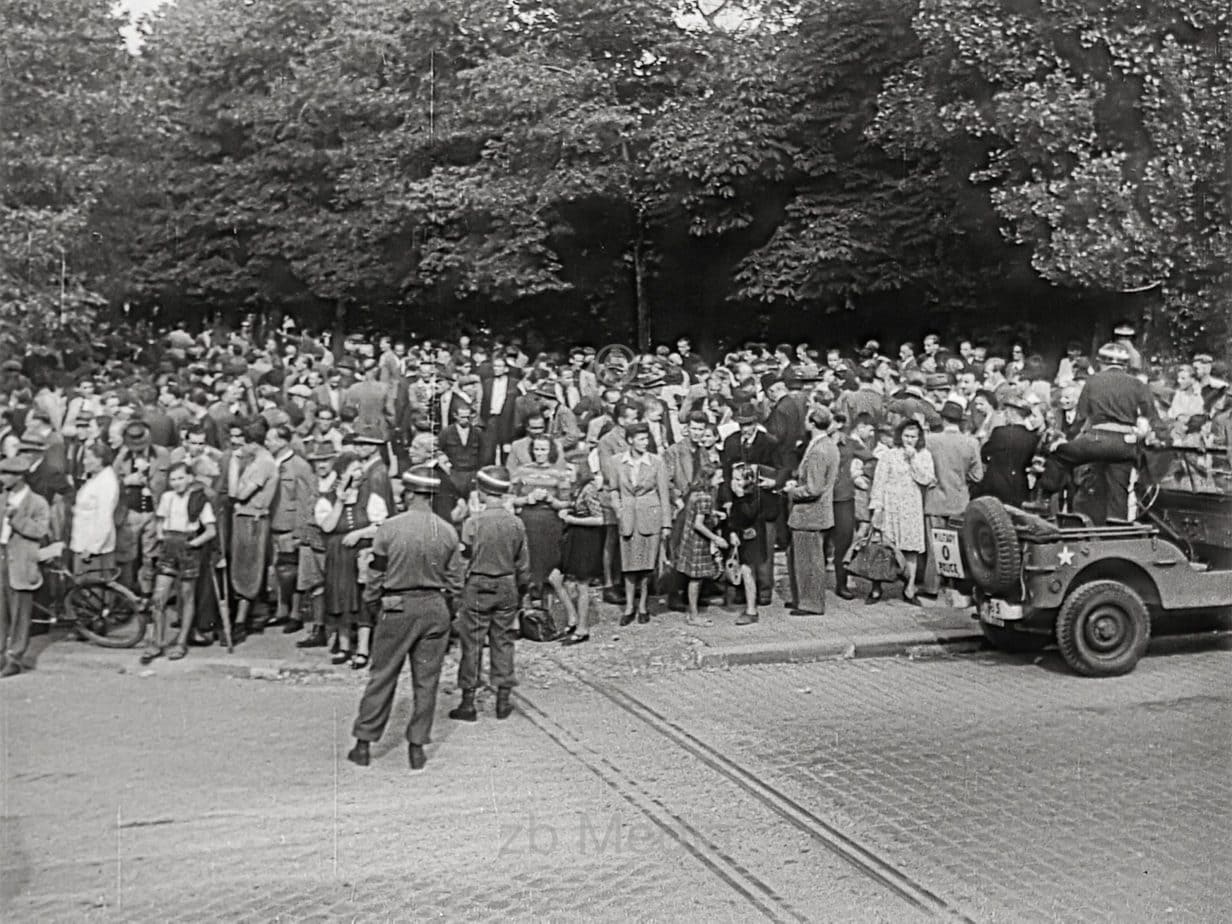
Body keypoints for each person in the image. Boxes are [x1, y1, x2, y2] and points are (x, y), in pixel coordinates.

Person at [346, 465, 464, 771]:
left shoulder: (389, 528)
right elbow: (456, 581)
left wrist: (371, 600)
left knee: (383, 674)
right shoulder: (448, 531)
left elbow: (376, 572)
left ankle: (363, 742)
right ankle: (416, 747)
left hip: (397, 605)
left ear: (410, 493)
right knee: (427, 681)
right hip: (435, 607)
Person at [448, 465, 531, 723]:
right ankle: (503, 700)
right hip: (506, 584)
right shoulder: (516, 523)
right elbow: (523, 564)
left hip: (478, 584)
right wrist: (522, 587)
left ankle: (468, 703)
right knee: (503, 641)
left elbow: (464, 558)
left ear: (482, 491)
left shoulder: (473, 522)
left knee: (472, 643)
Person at [1045, 342, 1159, 524]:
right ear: (1126, 364)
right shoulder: (1138, 385)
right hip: (1124, 445)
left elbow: (1082, 417)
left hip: (1096, 439)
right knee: (1118, 493)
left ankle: (1044, 502)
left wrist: (1066, 442)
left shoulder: (1093, 381)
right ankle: (1115, 532)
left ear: (1101, 362)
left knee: (1060, 455)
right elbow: (1146, 422)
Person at [140, 462, 217, 664]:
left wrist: (193, 543)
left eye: (181, 478)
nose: (176, 483)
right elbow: (159, 521)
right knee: (159, 596)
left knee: (187, 596)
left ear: (190, 478)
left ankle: (181, 642)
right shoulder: (167, 498)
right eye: (173, 479)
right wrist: (161, 536)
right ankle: (156, 641)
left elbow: (211, 531)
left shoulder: (199, 500)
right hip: (169, 548)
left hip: (189, 549)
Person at [921, 398, 984, 598]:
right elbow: (977, 475)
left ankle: (932, 587)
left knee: (935, 547)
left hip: (935, 500)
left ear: (942, 418)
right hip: (959, 501)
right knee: (958, 545)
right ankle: (957, 585)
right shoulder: (971, 443)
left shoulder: (930, 441)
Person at [611, 421, 672, 624]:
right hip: (628, 517)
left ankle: (644, 605)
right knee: (629, 566)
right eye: (641, 439)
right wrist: (618, 509)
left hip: (650, 517)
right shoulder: (617, 461)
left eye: (647, 439)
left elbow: (664, 494)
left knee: (646, 566)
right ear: (630, 440)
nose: (645, 442)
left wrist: (666, 524)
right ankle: (629, 606)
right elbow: (613, 489)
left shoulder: (656, 462)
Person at [869, 419, 936, 604]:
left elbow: (926, 479)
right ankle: (876, 587)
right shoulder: (889, 455)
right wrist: (877, 508)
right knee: (884, 547)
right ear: (900, 436)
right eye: (906, 436)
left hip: (911, 505)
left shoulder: (924, 455)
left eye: (913, 437)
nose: (909, 440)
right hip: (891, 505)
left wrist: (913, 458)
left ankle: (909, 588)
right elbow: (879, 482)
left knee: (911, 548)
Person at [783, 407, 840, 615]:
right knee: (802, 558)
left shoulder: (819, 450)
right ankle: (803, 598)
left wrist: (792, 491)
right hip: (817, 513)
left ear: (812, 423)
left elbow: (813, 489)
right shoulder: (828, 445)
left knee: (809, 561)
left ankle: (810, 603)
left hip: (810, 513)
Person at [0, 455, 51, 677]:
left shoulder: (37, 502)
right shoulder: (2, 498)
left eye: (6, 474)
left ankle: (15, 657)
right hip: (2, 557)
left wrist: (16, 518)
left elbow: (40, 531)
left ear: (19, 477)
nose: (2, 478)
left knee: (20, 614)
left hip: (21, 562)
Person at [510, 434, 571, 606]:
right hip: (528, 519)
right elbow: (511, 498)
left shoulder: (560, 473)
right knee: (528, 558)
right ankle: (529, 600)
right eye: (536, 449)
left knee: (548, 560)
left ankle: (547, 600)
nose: (540, 453)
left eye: (543, 449)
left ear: (550, 451)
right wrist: (526, 499)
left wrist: (552, 501)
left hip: (550, 521)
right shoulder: (521, 471)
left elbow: (567, 502)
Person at [557, 467, 606, 645]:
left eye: (570, 469)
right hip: (577, 537)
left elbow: (600, 519)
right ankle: (574, 618)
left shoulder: (589, 489)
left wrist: (571, 520)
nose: (566, 472)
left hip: (587, 539)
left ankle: (582, 629)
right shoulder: (578, 488)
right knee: (557, 578)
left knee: (582, 584)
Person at [674, 465, 726, 628]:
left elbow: (698, 513)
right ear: (709, 479)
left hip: (689, 541)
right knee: (696, 579)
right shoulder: (706, 497)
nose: (722, 480)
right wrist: (716, 539)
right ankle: (694, 615)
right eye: (718, 477)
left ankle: (692, 612)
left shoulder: (696, 494)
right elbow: (699, 524)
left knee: (694, 579)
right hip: (698, 542)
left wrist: (715, 513)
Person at [70, 441, 119, 578]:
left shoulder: (106, 482)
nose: (84, 462)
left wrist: (92, 548)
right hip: (83, 543)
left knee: (91, 592)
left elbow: (104, 518)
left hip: (93, 550)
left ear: (100, 460)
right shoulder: (96, 479)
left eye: (88, 458)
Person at [978, 395, 1039, 507]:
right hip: (1019, 485)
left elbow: (984, 454)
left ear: (1012, 413)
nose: (1004, 415)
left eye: (1006, 411)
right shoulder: (1033, 437)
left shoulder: (999, 432)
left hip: (995, 485)